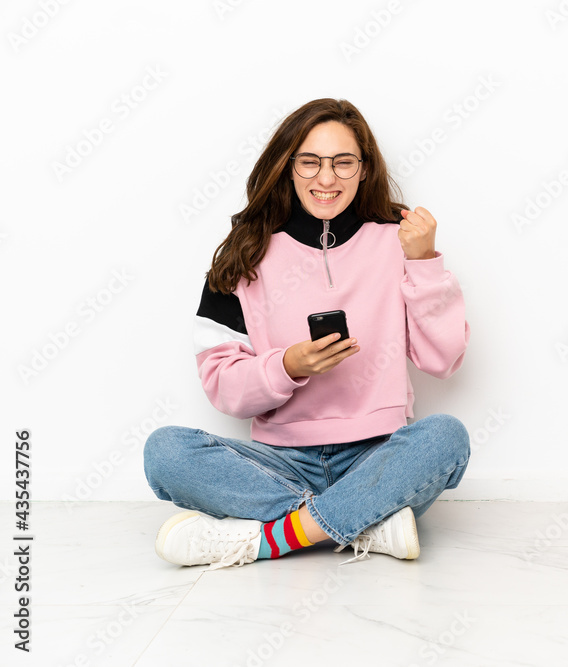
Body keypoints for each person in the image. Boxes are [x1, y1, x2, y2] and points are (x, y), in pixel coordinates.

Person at [143, 98, 471, 570]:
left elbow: (443, 359)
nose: (326, 177)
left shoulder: (397, 237)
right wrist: (287, 366)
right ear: (288, 166)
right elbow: (222, 386)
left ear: (363, 169)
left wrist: (423, 263)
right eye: (310, 161)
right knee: (166, 452)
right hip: (278, 463)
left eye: (343, 162)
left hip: (377, 456)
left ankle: (266, 541)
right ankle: (364, 522)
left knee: (445, 438)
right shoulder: (245, 250)